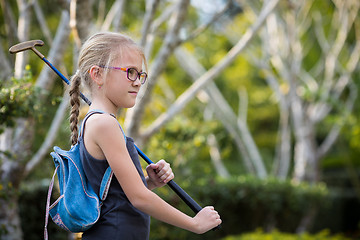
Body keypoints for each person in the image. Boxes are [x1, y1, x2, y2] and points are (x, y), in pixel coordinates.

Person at [68, 32, 221, 240]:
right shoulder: (105, 123)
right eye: (130, 72)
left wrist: (149, 182)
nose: (138, 82)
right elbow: (138, 198)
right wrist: (194, 223)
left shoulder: (96, 121)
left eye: (141, 75)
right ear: (97, 74)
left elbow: (115, 195)